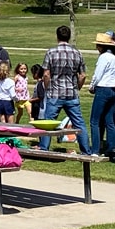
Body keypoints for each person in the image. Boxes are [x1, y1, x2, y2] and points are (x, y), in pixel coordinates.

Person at [37, 25, 91, 153]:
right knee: (79, 124)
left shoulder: (51, 52)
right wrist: (77, 87)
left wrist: (47, 88)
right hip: (71, 93)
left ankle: (44, 148)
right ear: (69, 37)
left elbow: (46, 74)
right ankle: (86, 151)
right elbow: (83, 75)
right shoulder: (77, 53)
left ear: (57, 36)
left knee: (48, 122)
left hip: (55, 93)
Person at [89, 32, 115, 156]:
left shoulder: (103, 57)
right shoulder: (114, 57)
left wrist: (92, 86)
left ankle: (95, 150)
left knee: (94, 121)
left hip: (103, 88)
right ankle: (113, 148)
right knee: (109, 120)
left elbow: (98, 74)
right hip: (113, 89)